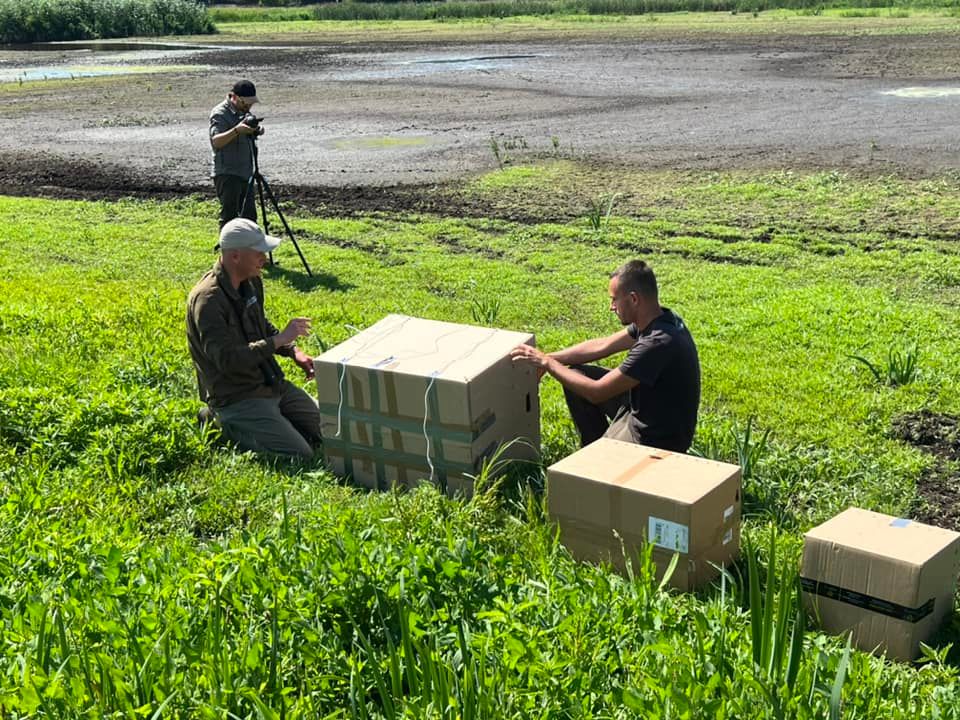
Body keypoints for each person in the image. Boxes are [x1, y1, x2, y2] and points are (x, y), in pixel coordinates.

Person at [511, 260, 700, 452]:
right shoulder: (660, 319)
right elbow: (602, 345)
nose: (612, 307)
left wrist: (547, 363)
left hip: (656, 438)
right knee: (577, 374)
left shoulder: (657, 343)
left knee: (591, 460)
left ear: (634, 299)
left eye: (614, 299)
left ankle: (600, 459)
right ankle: (594, 448)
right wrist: (551, 357)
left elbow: (597, 392)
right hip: (647, 408)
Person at [187, 218, 322, 459]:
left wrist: (293, 351)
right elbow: (227, 360)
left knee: (332, 433)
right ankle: (218, 420)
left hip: (270, 383)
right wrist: (279, 340)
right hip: (236, 396)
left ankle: (274, 420)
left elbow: (261, 326)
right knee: (300, 454)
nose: (265, 258)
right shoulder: (208, 301)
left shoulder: (252, 281)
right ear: (235, 256)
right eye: (259, 252)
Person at [209, 79, 264, 228]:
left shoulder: (244, 112)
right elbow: (216, 141)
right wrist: (237, 130)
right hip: (227, 173)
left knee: (249, 218)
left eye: (251, 104)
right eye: (245, 103)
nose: (248, 107)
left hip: (246, 172)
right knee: (229, 218)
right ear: (234, 97)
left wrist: (254, 131)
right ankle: (227, 250)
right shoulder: (220, 113)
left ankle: (248, 250)